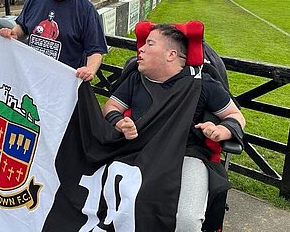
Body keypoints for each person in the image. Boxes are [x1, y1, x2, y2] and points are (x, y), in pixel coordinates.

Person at [102, 24, 245, 232]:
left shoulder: (202, 83)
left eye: (149, 44)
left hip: (186, 155)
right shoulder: (135, 78)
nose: (140, 48)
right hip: (138, 150)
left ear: (171, 54)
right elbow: (111, 106)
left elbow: (235, 115)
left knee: (186, 221)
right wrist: (119, 122)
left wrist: (222, 130)